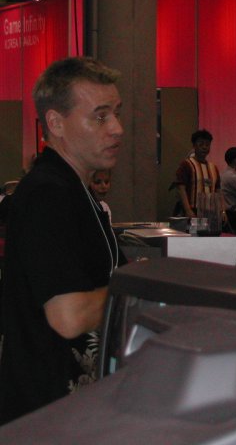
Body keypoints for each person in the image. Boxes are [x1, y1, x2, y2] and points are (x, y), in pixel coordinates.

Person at [0, 56, 126, 424]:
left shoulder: (75, 191)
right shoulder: (48, 195)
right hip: (48, 416)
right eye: (100, 117)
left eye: (116, 113)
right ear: (56, 123)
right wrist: (138, 288)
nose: (117, 129)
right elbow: (68, 316)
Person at [174, 129, 223, 219]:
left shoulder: (213, 167)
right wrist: (188, 210)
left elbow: (218, 191)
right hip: (192, 210)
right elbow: (181, 189)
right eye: (201, 144)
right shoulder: (186, 164)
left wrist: (222, 210)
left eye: (207, 145)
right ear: (194, 146)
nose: (204, 147)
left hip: (210, 212)